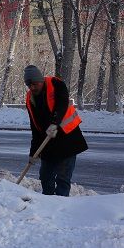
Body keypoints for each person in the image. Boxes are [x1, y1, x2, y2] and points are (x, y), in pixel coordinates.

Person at [24, 65, 88, 196]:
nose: (32, 88)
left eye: (35, 84)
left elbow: (62, 104)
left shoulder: (56, 84)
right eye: (29, 85)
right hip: (48, 143)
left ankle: (60, 209)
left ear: (40, 80)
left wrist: (54, 123)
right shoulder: (30, 100)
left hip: (67, 140)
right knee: (45, 177)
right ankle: (47, 205)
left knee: (63, 178)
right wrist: (33, 153)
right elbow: (35, 128)